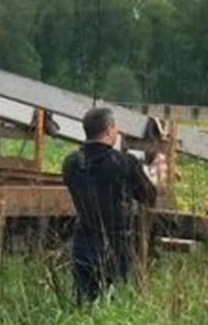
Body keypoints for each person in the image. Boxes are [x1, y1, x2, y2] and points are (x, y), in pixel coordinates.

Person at [62, 106, 157, 304]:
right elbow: (149, 196)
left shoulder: (71, 162)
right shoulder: (124, 162)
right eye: (115, 128)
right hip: (116, 245)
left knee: (84, 302)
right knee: (114, 302)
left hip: (83, 242)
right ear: (108, 131)